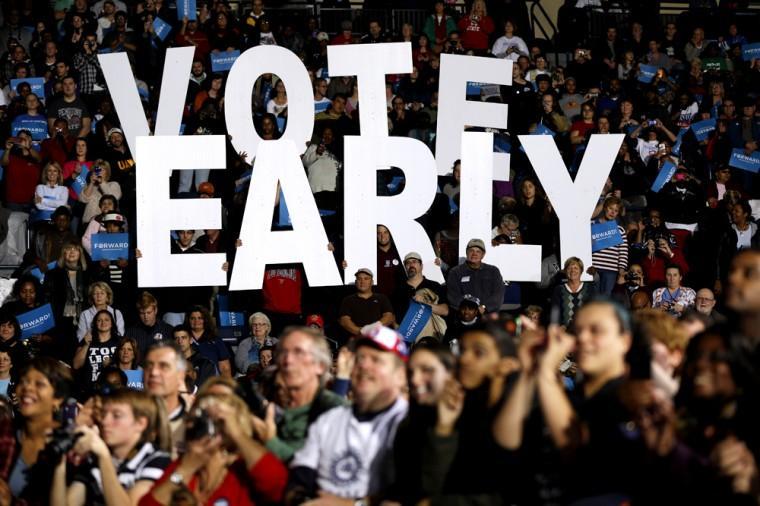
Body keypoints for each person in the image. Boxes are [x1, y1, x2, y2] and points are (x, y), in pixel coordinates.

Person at [287, 323, 409, 503]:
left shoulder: (411, 423)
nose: (364, 365)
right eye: (360, 358)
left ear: (400, 375)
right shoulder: (330, 419)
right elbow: (298, 481)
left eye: (376, 360)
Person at [139, 390, 288, 506]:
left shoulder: (242, 470)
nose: (209, 427)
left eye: (218, 422)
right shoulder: (185, 466)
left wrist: (237, 435)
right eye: (202, 419)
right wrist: (184, 469)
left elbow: (277, 484)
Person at [50, 389, 172, 505]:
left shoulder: (158, 460)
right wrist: (60, 462)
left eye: (116, 415)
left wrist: (104, 457)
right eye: (104, 414)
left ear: (140, 423)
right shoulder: (94, 459)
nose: (105, 421)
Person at [256, 326, 345, 462]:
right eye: (283, 353)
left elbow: (316, 469)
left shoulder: (336, 411)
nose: (288, 360)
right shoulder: (268, 409)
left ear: (320, 366)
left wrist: (269, 441)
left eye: (299, 352)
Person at [390, 341, 455, 505]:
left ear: (451, 374)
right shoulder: (406, 424)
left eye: (427, 370)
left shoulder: (474, 425)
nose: (415, 380)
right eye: (410, 372)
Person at [8, 358, 74, 501]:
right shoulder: (6, 435)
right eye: (24, 381)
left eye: (39, 384)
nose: (28, 388)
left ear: (58, 398)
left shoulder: (71, 447)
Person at [142, 341, 187, 458]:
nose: (153, 372)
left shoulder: (195, 424)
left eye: (164, 366)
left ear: (180, 375)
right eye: (149, 366)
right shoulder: (125, 419)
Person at [446, 239, 505, 314]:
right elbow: (453, 296)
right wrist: (469, 310)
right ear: (466, 252)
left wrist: (484, 307)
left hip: (488, 315)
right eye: (471, 250)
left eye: (478, 251)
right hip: (464, 315)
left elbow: (498, 294)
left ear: (483, 254)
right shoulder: (455, 272)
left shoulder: (493, 271)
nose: (474, 254)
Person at [338, 268, 395, 337]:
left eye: (366, 278)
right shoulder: (348, 300)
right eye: (359, 279)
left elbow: (389, 317)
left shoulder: (382, 298)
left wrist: (371, 329)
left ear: (372, 282)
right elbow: (344, 321)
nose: (362, 282)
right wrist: (361, 332)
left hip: (379, 338)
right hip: (357, 340)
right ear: (356, 282)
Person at [74, 309, 121, 383]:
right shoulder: (87, 340)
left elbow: (127, 366)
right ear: (95, 323)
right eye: (99, 320)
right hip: (91, 388)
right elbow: (76, 365)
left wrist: (112, 364)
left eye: (106, 320)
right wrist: (86, 345)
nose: (103, 322)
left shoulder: (119, 341)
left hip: (113, 388)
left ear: (112, 323)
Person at [185, 306, 231, 378]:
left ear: (205, 320)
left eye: (200, 318)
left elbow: (225, 368)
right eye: (192, 318)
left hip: (211, 381)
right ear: (188, 320)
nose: (196, 321)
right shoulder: (182, 339)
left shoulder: (216, 340)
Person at [551, 257, 597, 327]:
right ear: (565, 271)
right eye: (569, 268)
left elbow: (594, 311)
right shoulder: (559, 289)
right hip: (565, 332)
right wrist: (559, 327)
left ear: (581, 271)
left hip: (585, 330)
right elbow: (555, 313)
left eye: (576, 268)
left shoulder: (590, 288)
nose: (572, 271)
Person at [125, 291, 174, 356]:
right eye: (142, 313)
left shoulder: (168, 330)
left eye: (149, 312)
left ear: (155, 310)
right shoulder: (131, 332)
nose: (146, 317)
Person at [173, 325, 215, 391]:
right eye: (176, 338)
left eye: (183, 338)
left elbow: (208, 389)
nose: (180, 341)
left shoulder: (204, 363)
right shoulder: (170, 363)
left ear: (191, 340)